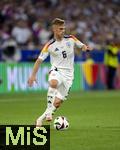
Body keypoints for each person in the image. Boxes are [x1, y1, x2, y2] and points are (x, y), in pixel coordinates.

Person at [28, 18, 92, 127]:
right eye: (60, 29)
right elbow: (39, 60)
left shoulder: (71, 39)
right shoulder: (49, 45)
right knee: (53, 83)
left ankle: (39, 119)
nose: (63, 31)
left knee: (57, 103)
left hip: (69, 75)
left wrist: (85, 48)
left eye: (64, 28)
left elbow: (81, 46)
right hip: (56, 70)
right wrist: (33, 75)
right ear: (54, 30)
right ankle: (49, 113)